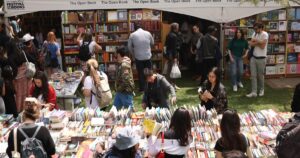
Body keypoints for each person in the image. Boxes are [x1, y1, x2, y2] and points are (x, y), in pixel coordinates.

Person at [6, 38, 31, 113]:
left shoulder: (10, 57)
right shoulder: (21, 52)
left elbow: (14, 70)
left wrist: (12, 78)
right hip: (26, 76)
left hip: (18, 79)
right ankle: (28, 109)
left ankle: (20, 111)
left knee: (19, 96)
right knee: (27, 94)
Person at [128, 23, 154, 92]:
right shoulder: (148, 33)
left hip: (138, 57)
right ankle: (151, 87)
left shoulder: (132, 35)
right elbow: (152, 43)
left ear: (134, 28)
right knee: (149, 72)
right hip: (148, 56)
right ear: (142, 27)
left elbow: (129, 47)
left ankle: (142, 89)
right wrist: (148, 49)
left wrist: (133, 54)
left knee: (140, 73)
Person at [246, 22, 268, 98]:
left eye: (256, 28)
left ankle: (262, 90)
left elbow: (262, 46)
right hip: (253, 58)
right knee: (253, 76)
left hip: (262, 58)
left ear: (261, 28)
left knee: (260, 76)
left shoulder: (265, 34)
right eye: (254, 28)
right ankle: (254, 92)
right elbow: (251, 44)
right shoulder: (254, 34)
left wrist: (256, 41)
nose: (255, 30)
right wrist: (259, 42)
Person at [165, 23, 182, 90]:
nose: (178, 28)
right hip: (173, 55)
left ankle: (171, 84)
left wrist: (166, 55)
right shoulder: (174, 36)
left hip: (169, 54)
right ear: (176, 28)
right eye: (178, 27)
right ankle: (172, 85)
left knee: (170, 70)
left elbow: (165, 46)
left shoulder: (168, 35)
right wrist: (175, 57)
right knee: (173, 70)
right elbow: (174, 48)